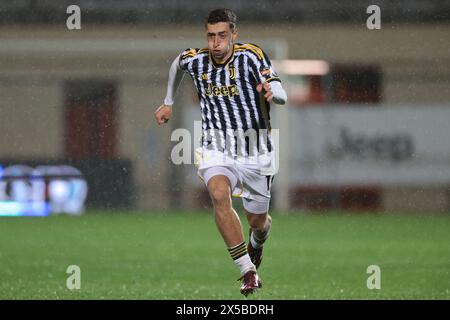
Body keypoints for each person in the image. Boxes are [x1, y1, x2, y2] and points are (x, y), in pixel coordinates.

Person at [154, 8, 287, 296]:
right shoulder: (196, 60)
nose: (215, 43)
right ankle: (247, 270)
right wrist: (168, 102)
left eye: (222, 36)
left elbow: (278, 88)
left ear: (234, 35)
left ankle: (258, 241)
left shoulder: (251, 55)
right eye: (211, 36)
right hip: (216, 145)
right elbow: (177, 64)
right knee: (218, 194)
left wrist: (274, 93)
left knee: (258, 223)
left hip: (255, 149)